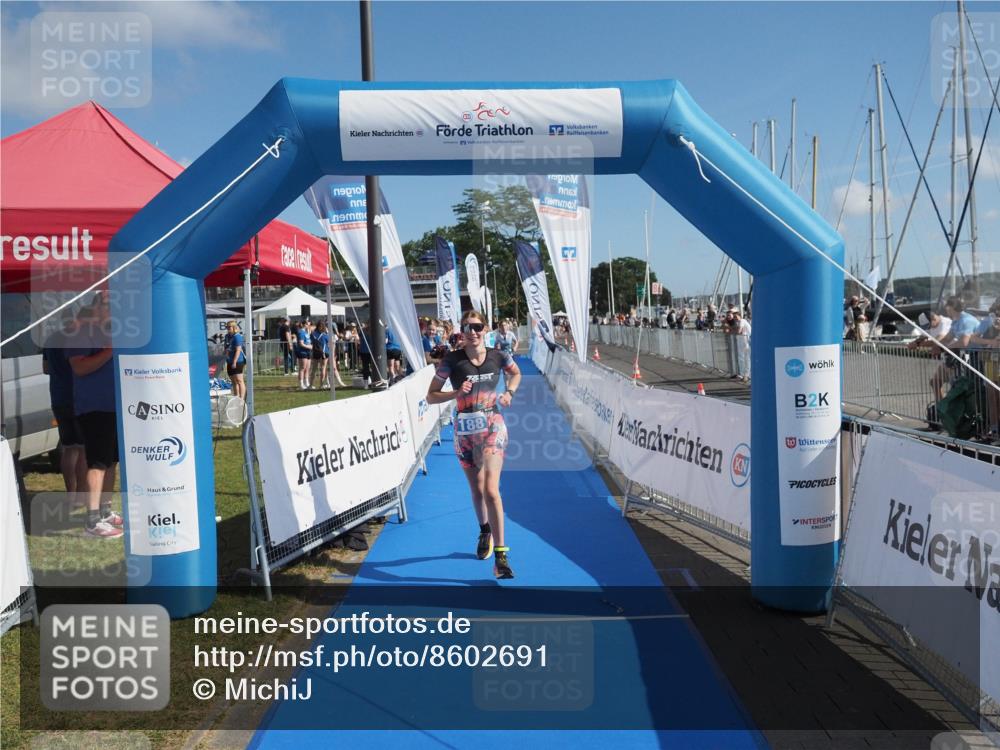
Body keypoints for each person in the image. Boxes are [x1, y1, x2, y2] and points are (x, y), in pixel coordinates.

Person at [426, 310, 522, 579]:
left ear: (485, 329)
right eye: (467, 327)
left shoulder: (498, 356)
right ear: (462, 331)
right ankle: (484, 531)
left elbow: (516, 374)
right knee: (477, 489)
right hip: (465, 431)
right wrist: (456, 393)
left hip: (493, 425)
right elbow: (431, 396)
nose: (473, 332)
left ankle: (501, 557)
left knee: (491, 489)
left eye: (477, 327)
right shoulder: (452, 360)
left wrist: (509, 392)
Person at [66, 294, 122, 538]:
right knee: (98, 462)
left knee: (111, 461)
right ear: (95, 307)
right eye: (108, 304)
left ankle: (105, 511)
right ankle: (91, 520)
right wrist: (110, 350)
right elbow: (79, 367)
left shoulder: (115, 331)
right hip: (94, 408)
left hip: (115, 407)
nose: (113, 309)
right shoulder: (81, 332)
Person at [42, 310, 88, 495]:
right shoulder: (79, 339)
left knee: (68, 448)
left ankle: (71, 492)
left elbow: (45, 368)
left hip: (58, 398)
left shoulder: (51, 339)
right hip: (79, 399)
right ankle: (82, 493)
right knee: (83, 450)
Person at [226, 321, 247, 401]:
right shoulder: (227, 336)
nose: (228, 328)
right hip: (229, 361)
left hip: (238, 361)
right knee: (233, 381)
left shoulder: (237, 337)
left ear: (234, 327)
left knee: (239, 380)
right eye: (227, 327)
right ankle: (236, 398)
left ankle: (242, 399)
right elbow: (227, 348)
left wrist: (234, 362)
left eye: (229, 327)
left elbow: (238, 350)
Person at [295, 318, 313, 390]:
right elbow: (301, 343)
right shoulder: (301, 332)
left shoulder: (306, 332)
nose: (308, 325)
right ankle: (301, 384)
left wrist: (310, 346)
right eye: (307, 324)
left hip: (308, 352)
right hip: (302, 352)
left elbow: (308, 341)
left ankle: (307, 383)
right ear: (303, 325)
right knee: (302, 368)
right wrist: (309, 347)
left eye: (309, 324)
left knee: (307, 368)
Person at [312, 321, 330, 388]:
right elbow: (328, 342)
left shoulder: (313, 334)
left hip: (316, 352)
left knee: (314, 368)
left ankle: (311, 384)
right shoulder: (325, 335)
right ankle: (321, 384)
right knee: (323, 368)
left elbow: (311, 342)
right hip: (324, 352)